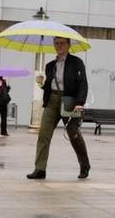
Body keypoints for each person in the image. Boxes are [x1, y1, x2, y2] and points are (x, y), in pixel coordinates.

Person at [28, 37, 89, 181]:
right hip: (52, 101)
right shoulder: (50, 66)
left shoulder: (76, 63)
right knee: (44, 134)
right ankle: (40, 169)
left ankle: (84, 164)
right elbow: (49, 85)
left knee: (73, 134)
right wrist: (43, 84)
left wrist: (80, 102)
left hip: (69, 101)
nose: (59, 46)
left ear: (68, 45)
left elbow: (83, 84)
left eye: (62, 43)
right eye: (56, 43)